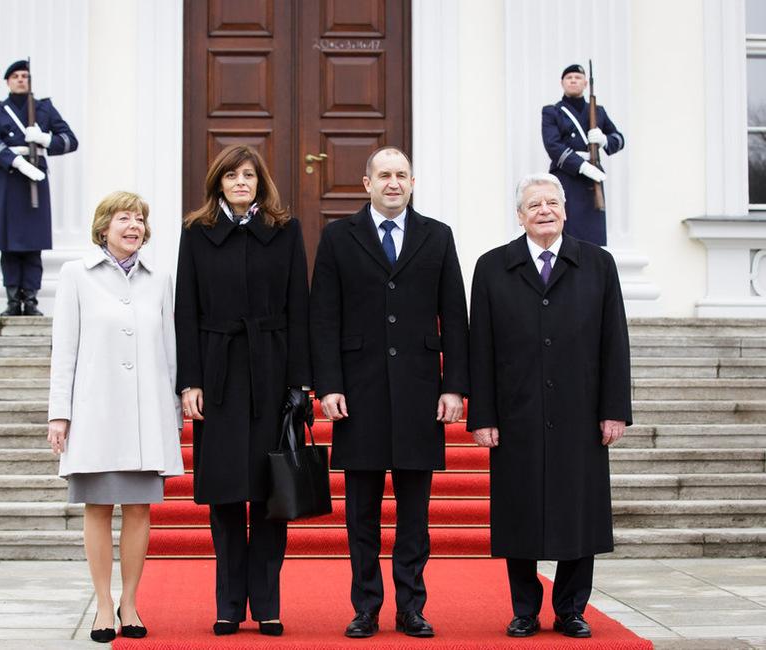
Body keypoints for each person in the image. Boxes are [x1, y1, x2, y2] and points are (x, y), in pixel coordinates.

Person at [310, 146, 469, 639]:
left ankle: (411, 607)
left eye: (401, 175)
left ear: (413, 182)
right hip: (358, 394)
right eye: (384, 175)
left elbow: (456, 319)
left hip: (421, 392)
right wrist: (328, 385)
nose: (393, 182)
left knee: (414, 516)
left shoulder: (437, 236)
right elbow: (323, 318)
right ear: (367, 183)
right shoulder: (338, 236)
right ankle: (366, 607)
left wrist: (454, 387)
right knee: (361, 514)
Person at [467, 173, 632, 639]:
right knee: (519, 512)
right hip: (516, 412)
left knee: (579, 513)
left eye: (552, 202)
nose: (544, 210)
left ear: (565, 210)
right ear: (519, 216)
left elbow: (613, 342)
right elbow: (480, 345)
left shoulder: (598, 265)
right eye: (533, 204)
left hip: (580, 412)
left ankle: (571, 609)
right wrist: (483, 415)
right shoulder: (492, 267)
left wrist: (614, 409)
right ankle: (524, 610)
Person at [175, 144, 312, 637]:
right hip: (218, 376)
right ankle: (229, 605)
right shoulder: (196, 233)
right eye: (231, 175)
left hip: (272, 373)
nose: (240, 182)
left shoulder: (284, 229)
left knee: (272, 494)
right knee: (227, 495)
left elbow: (300, 308)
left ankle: (268, 604)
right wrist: (189, 381)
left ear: (260, 183)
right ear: (217, 182)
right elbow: (185, 311)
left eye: (248, 175)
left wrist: (301, 382)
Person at [47, 191, 183, 643]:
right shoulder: (76, 276)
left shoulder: (159, 277)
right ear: (104, 226)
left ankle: (131, 603)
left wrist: (171, 416)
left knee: (140, 509)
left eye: (140, 219)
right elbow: (64, 349)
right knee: (98, 507)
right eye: (124, 218)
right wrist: (59, 415)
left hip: (145, 418)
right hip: (96, 415)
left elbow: (169, 352)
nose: (134, 226)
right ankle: (104, 605)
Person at [0, 59, 78, 316]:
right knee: (9, 243)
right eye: (16, 76)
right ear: (8, 81)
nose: (21, 79)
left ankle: (31, 299)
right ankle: (13, 300)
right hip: (10, 177)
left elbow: (70, 140)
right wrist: (16, 162)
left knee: (33, 243)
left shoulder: (43, 108)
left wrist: (44, 138)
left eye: (25, 75)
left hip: (36, 178)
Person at [541, 63, 624, 246]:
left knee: (591, 234)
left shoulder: (598, 112)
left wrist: (604, 140)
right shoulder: (553, 112)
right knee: (567, 228)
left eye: (577, 78)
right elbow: (553, 146)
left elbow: (619, 139)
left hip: (592, 177)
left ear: (585, 84)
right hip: (566, 176)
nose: (573, 81)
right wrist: (582, 166)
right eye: (569, 78)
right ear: (562, 83)